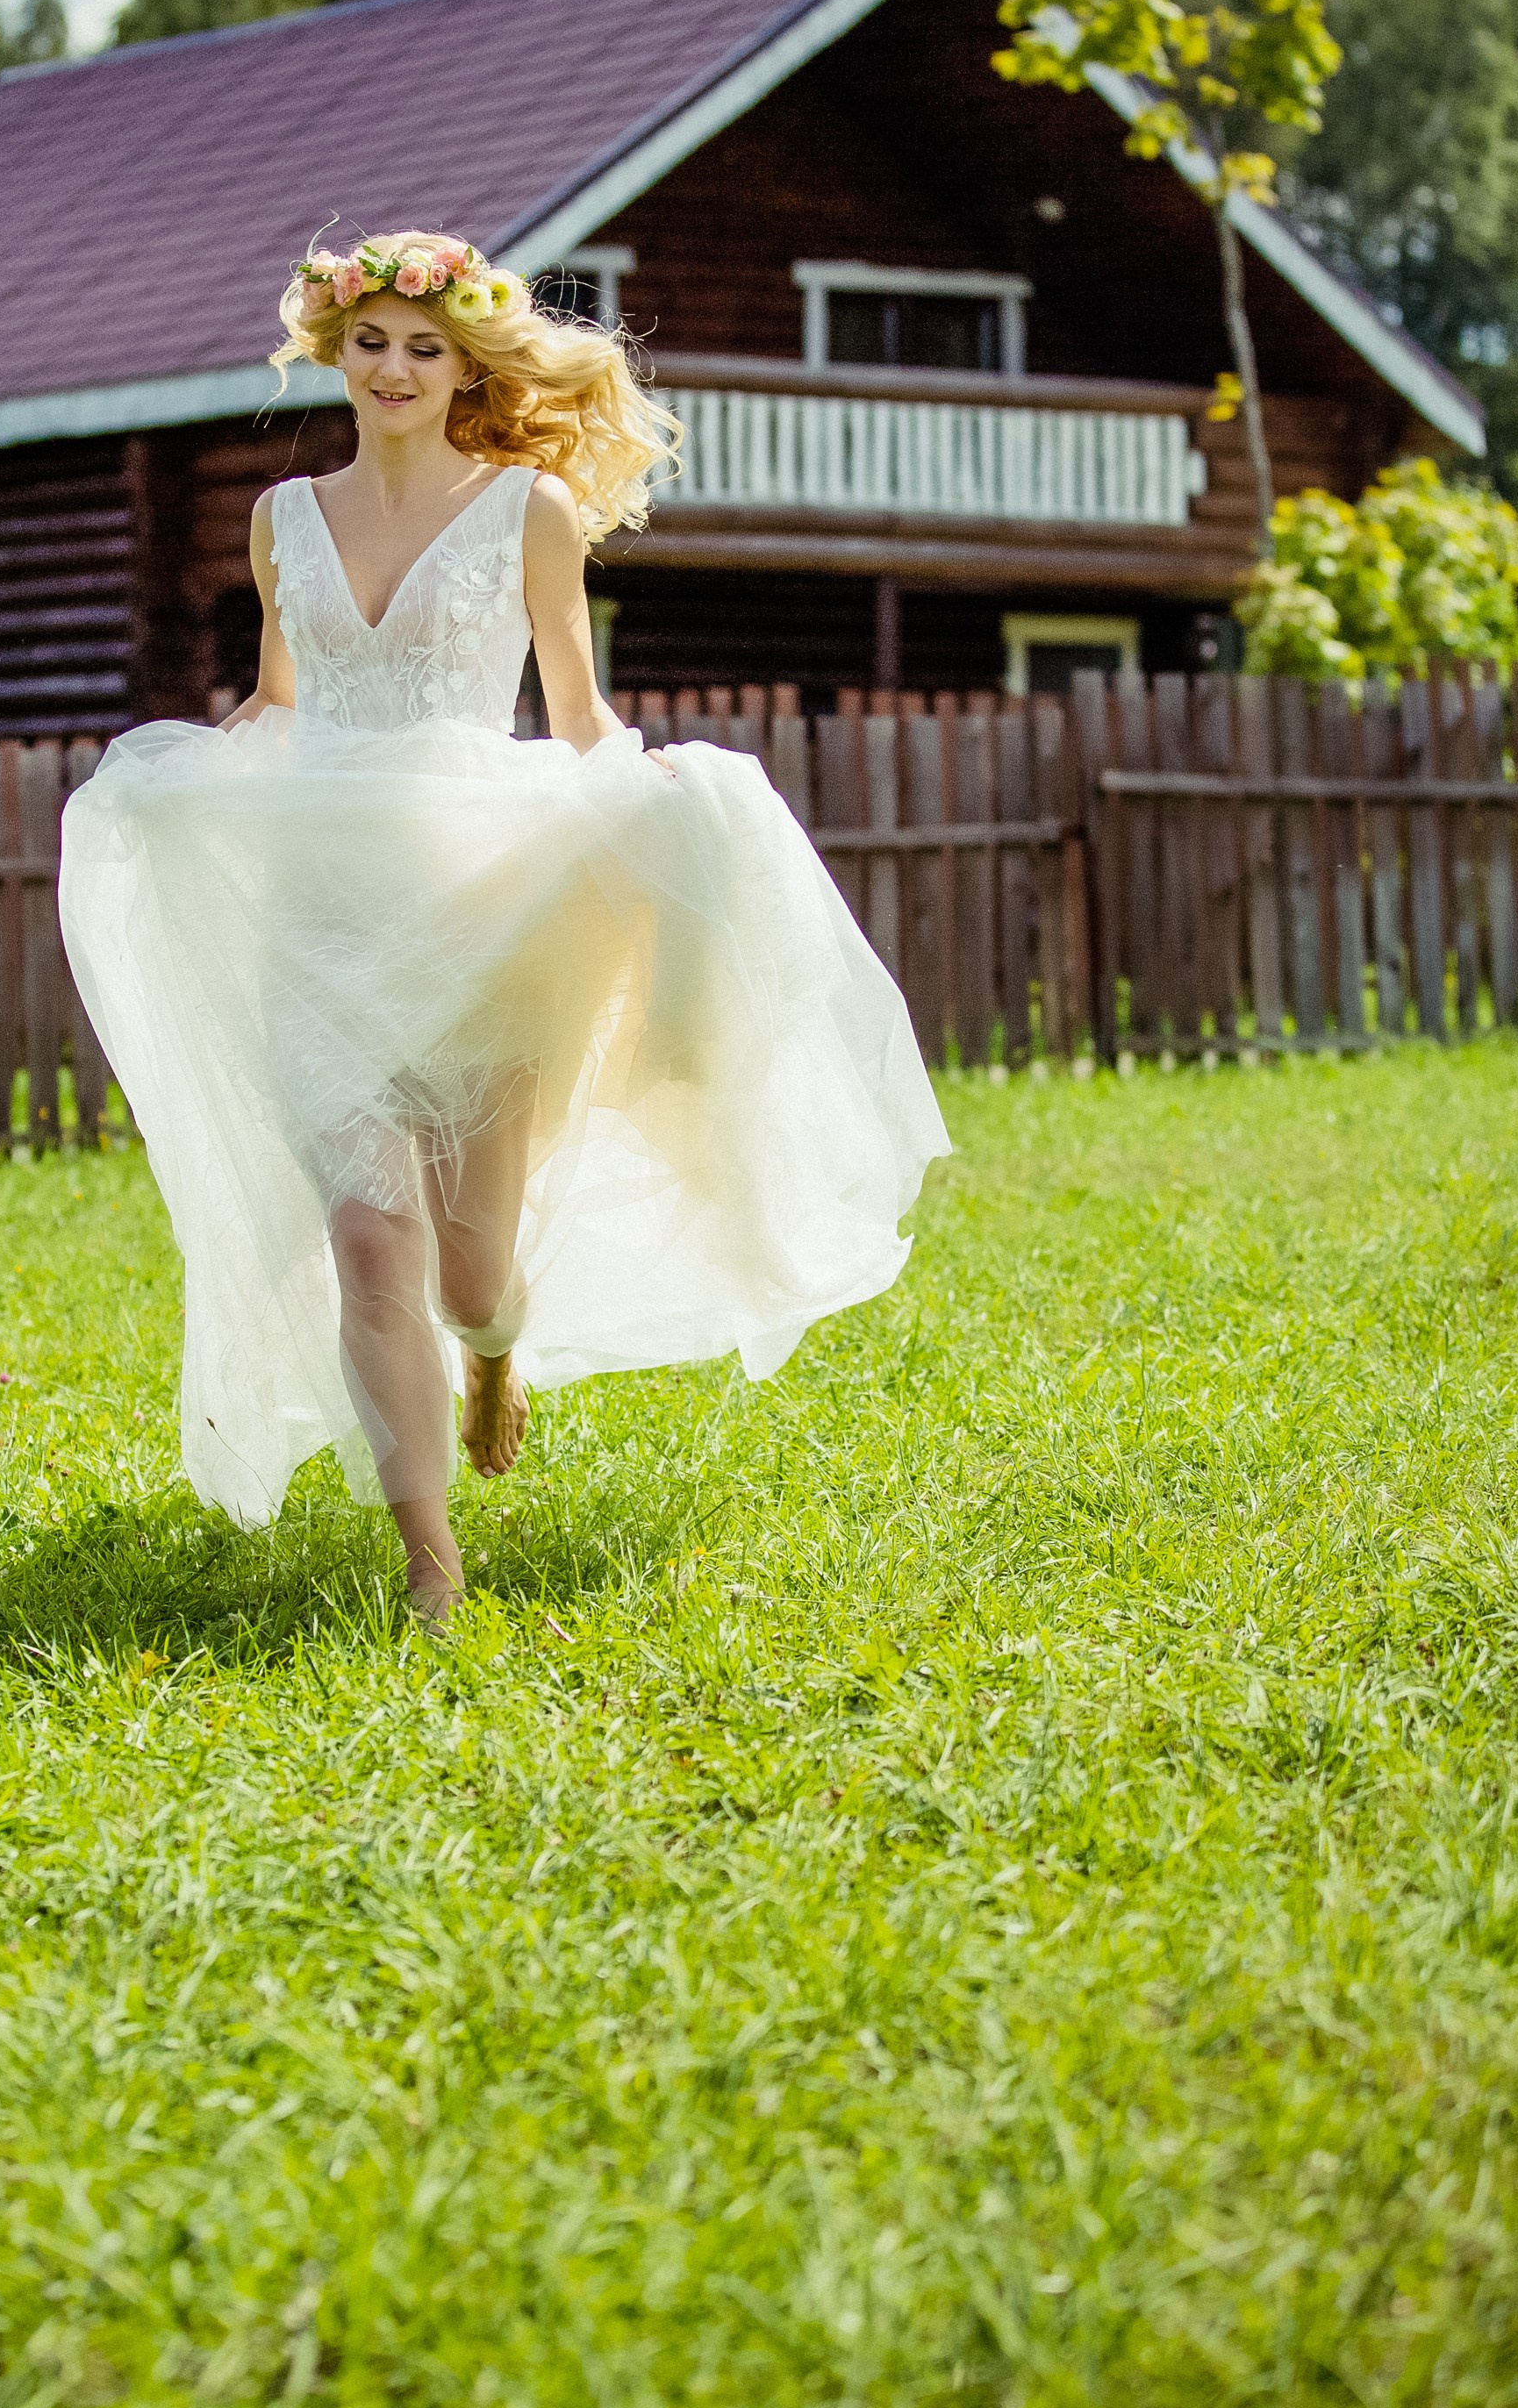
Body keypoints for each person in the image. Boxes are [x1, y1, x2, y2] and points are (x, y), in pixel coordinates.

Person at [59, 232, 946, 1623]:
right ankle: (430, 1563)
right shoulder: (281, 516)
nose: (397, 370)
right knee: (367, 1240)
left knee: (472, 1268)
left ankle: (492, 1351)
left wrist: (647, 793)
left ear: (468, 366)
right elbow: (279, 700)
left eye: (427, 349)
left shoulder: (528, 507)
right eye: (373, 345)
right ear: (332, 353)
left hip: (483, 912)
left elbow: (577, 709)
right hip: (322, 918)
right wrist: (180, 779)